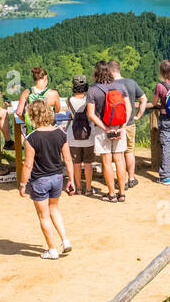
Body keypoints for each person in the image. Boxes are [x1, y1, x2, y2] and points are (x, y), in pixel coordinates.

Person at [19, 99, 75, 259]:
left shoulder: (31, 138)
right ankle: (65, 241)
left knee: (44, 216)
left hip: (40, 180)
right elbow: (68, 159)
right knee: (54, 209)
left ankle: (52, 250)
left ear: (33, 116)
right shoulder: (61, 134)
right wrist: (71, 180)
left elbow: (28, 165)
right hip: (57, 177)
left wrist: (23, 184)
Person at [86, 60, 131, 202]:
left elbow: (91, 114)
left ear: (96, 73)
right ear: (110, 72)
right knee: (119, 159)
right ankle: (122, 193)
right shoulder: (120, 86)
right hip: (119, 127)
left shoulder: (92, 90)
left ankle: (111, 194)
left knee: (106, 161)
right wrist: (122, 126)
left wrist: (105, 128)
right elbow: (128, 107)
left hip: (102, 129)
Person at [108, 59, 146, 188]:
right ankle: (131, 178)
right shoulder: (131, 83)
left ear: (110, 71)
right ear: (118, 69)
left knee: (118, 153)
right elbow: (143, 99)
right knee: (129, 151)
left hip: (114, 125)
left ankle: (121, 180)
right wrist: (138, 116)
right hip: (129, 123)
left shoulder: (108, 85)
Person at [64, 75, 95, 195]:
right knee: (88, 163)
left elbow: (71, 114)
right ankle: (88, 188)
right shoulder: (89, 100)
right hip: (89, 135)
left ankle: (78, 188)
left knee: (76, 163)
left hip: (73, 136)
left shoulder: (68, 100)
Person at [14, 66, 63, 134]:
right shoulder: (53, 93)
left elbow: (18, 112)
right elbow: (57, 110)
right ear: (45, 78)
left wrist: (28, 122)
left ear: (34, 80)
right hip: (48, 129)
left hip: (32, 131)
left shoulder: (26, 92)